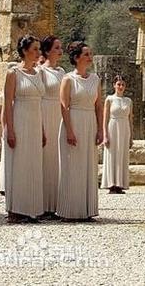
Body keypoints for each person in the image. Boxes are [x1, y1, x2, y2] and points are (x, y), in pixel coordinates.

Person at [57, 41, 102, 221]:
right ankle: (69, 210)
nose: (90, 57)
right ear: (76, 58)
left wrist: (101, 130)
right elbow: (64, 106)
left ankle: (86, 209)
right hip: (73, 121)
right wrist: (69, 130)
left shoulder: (95, 79)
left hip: (89, 122)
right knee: (72, 166)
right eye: (86, 54)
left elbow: (99, 106)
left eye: (90, 54)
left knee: (88, 166)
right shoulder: (68, 79)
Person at [3, 35, 46, 222]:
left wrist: (43, 129)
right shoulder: (13, 73)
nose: (38, 52)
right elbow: (7, 103)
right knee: (19, 164)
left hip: (35, 122)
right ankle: (16, 209)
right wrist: (9, 130)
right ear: (25, 51)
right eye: (35, 49)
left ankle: (31, 208)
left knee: (34, 164)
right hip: (20, 120)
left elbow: (40, 104)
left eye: (39, 49)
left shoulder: (39, 73)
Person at [39, 35, 65, 216]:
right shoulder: (40, 71)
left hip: (59, 114)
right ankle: (42, 204)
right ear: (47, 51)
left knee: (58, 159)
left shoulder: (62, 72)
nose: (60, 50)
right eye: (56, 47)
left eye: (60, 47)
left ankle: (56, 203)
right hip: (45, 113)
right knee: (46, 158)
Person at [102, 75, 133, 194]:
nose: (120, 87)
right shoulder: (109, 99)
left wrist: (131, 136)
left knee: (122, 154)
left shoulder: (128, 101)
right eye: (118, 84)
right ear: (114, 85)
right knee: (112, 154)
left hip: (124, 128)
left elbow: (130, 119)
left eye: (122, 85)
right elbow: (105, 118)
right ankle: (111, 184)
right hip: (112, 127)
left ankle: (120, 184)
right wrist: (105, 135)